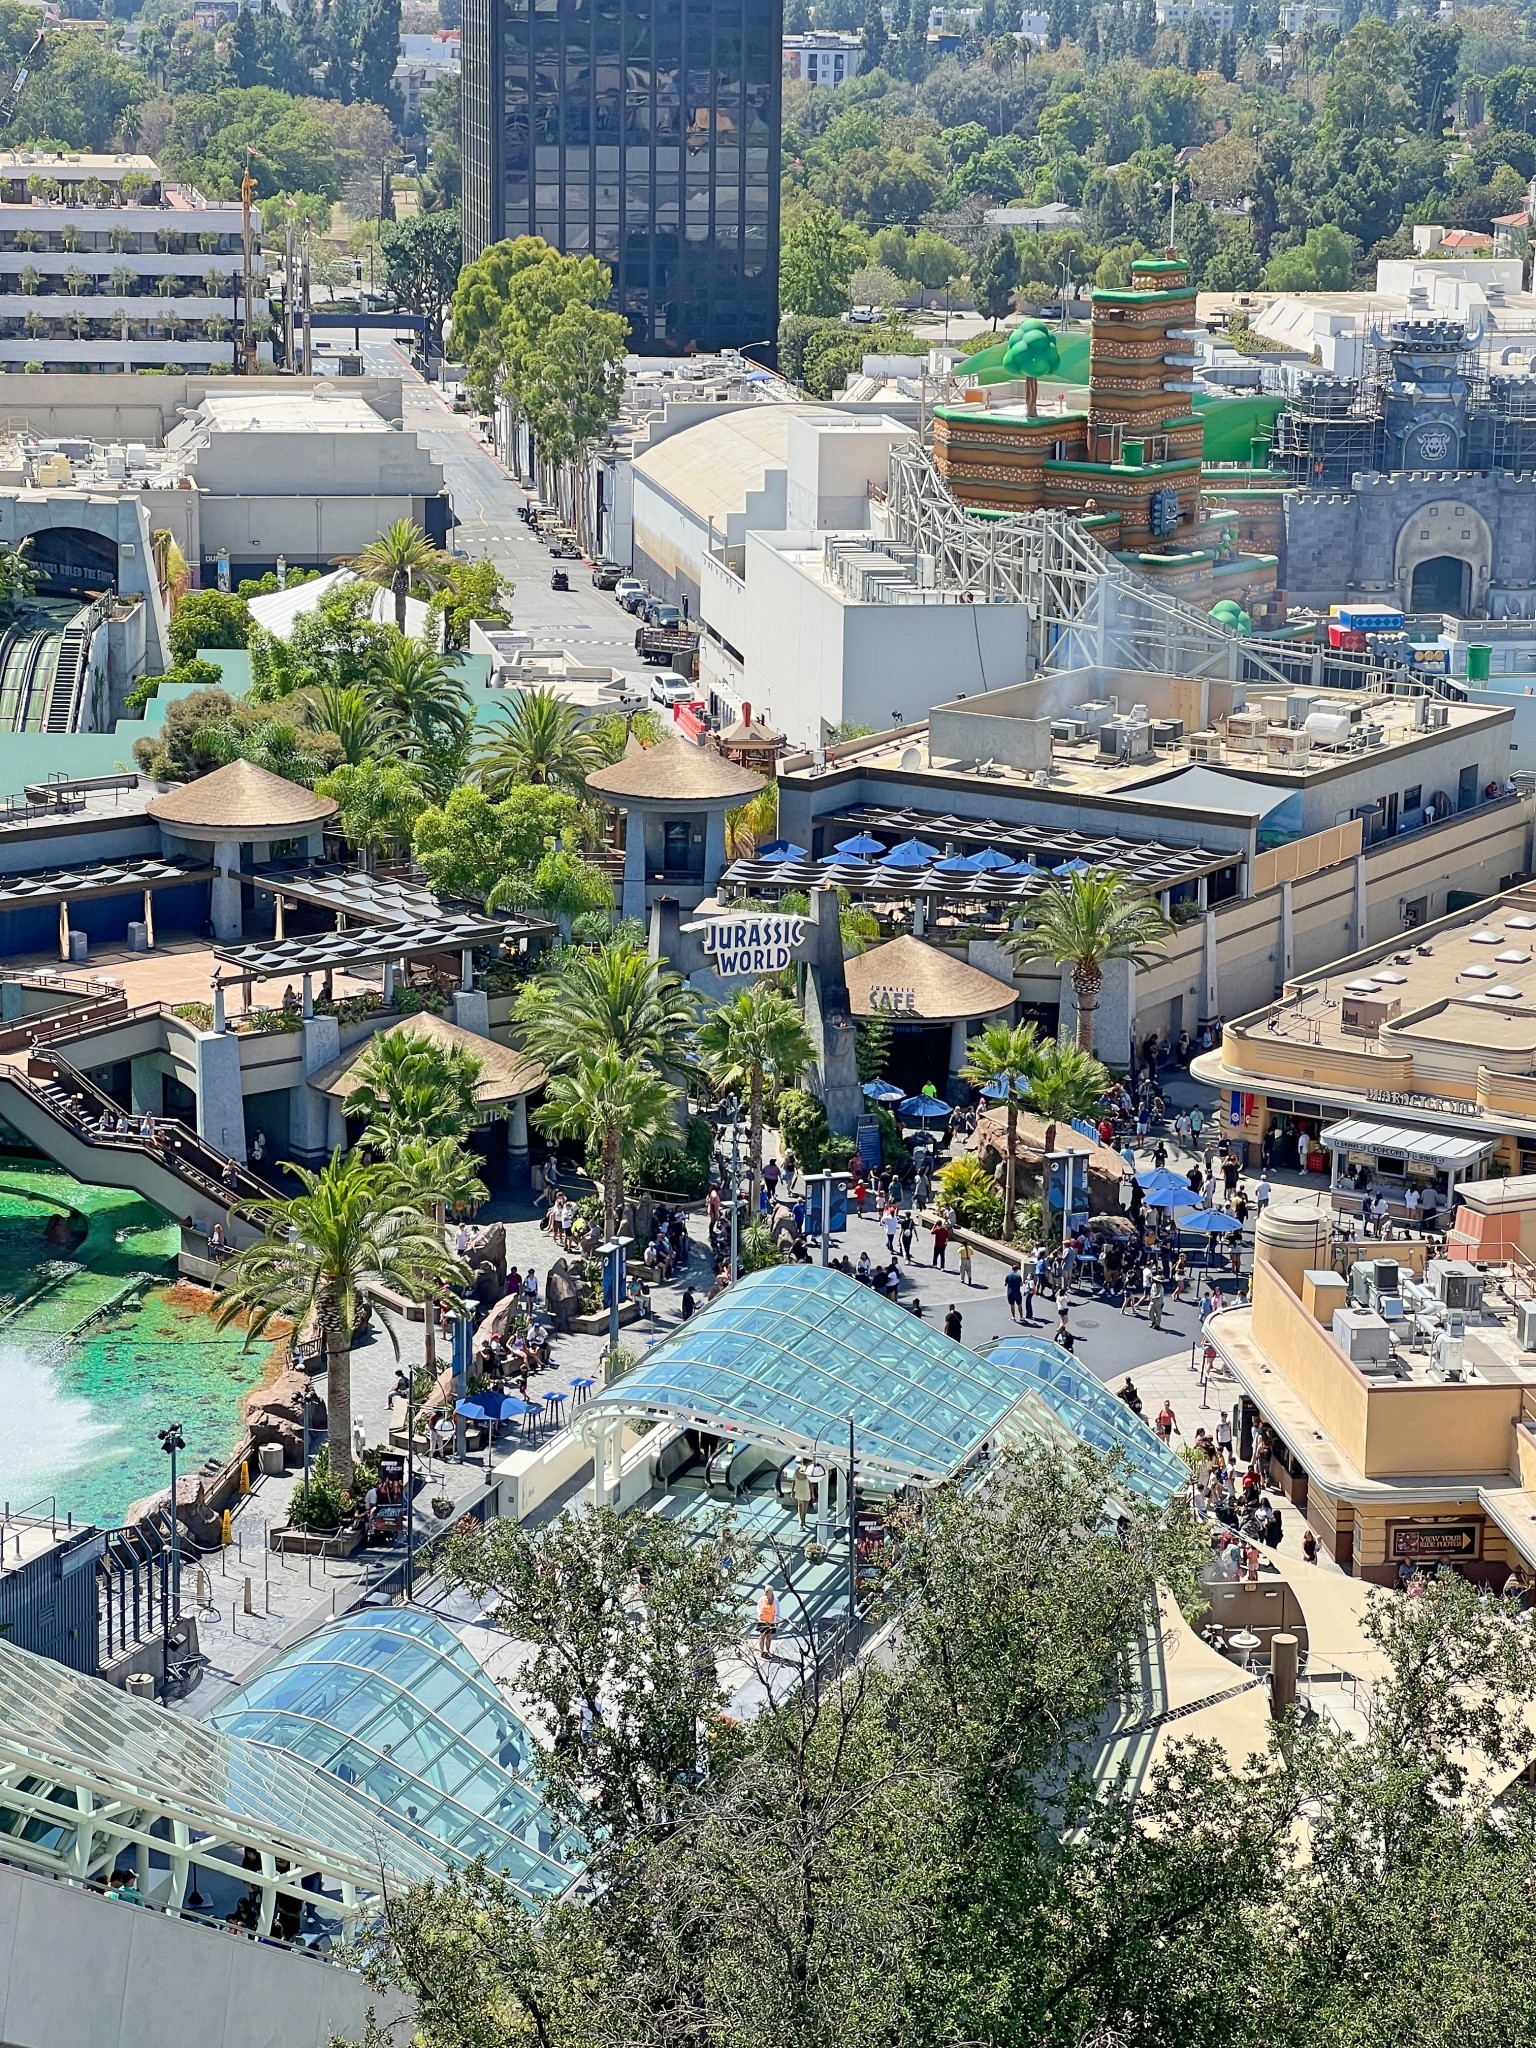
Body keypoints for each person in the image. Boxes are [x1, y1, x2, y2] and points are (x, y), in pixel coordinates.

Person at [757, 1585, 778, 1659]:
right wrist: (759, 1616)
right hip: (762, 1621)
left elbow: (777, 1612)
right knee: (762, 1636)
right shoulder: (762, 1599)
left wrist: (776, 1622)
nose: (765, 1593)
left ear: (771, 1592)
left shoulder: (775, 1601)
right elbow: (759, 1608)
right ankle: (762, 1651)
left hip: (771, 1622)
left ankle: (767, 1651)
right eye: (765, 1591)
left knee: (768, 1637)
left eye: (767, 1591)